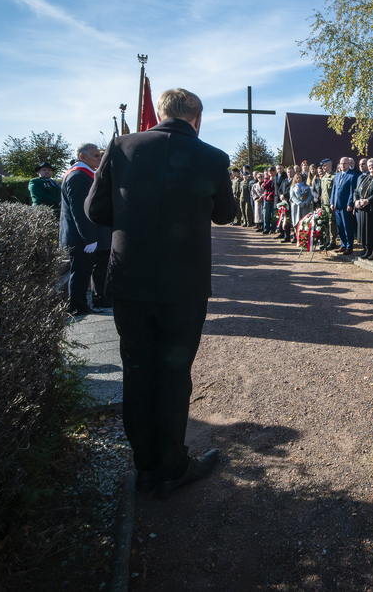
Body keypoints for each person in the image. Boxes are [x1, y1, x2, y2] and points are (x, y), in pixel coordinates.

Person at [85, 87, 236, 499]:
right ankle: (171, 465)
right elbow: (226, 215)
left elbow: (94, 211)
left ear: (163, 113)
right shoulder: (212, 156)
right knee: (173, 373)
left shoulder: (121, 146)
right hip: (182, 285)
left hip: (129, 279)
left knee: (135, 368)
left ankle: (144, 463)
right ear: (196, 118)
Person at [59, 143, 105, 316]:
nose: (100, 159)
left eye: (100, 156)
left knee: (82, 272)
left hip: (80, 236)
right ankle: (77, 307)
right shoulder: (78, 176)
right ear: (82, 157)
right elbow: (80, 210)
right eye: (96, 156)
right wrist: (89, 238)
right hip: (80, 238)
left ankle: (80, 305)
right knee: (80, 273)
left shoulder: (80, 174)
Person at [331, 157, 360, 255]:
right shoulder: (337, 175)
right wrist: (332, 202)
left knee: (347, 226)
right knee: (340, 227)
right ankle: (342, 245)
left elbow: (352, 192)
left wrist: (350, 204)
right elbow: (334, 190)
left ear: (349, 164)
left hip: (345, 205)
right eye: (341, 163)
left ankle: (349, 246)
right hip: (337, 205)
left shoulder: (352, 175)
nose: (342, 165)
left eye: (345, 163)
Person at [319, 159, 337, 249]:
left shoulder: (333, 177)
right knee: (325, 222)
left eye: (324, 166)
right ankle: (326, 241)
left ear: (329, 165)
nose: (323, 167)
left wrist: (333, 202)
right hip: (324, 203)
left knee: (331, 222)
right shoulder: (324, 177)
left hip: (330, 203)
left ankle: (332, 241)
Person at [262, 168, 276, 234]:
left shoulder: (276, 178)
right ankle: (266, 228)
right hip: (266, 199)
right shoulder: (266, 178)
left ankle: (273, 229)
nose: (271, 174)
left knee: (273, 215)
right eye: (270, 173)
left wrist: (270, 195)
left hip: (273, 199)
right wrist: (270, 181)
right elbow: (264, 187)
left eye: (272, 172)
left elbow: (276, 189)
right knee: (266, 214)